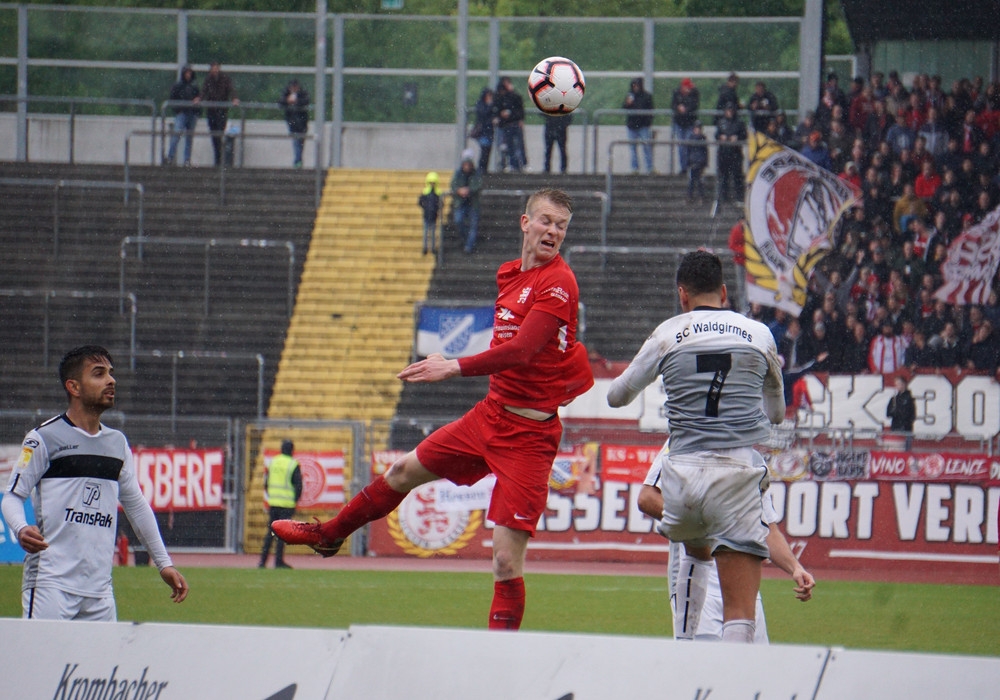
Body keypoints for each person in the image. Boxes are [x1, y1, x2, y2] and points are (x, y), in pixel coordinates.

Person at [272, 189, 594, 631]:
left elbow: (521, 351)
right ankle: (329, 535)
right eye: (546, 220)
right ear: (525, 223)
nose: (553, 231)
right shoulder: (510, 275)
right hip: (490, 416)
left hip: (529, 438)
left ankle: (498, 664)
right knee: (402, 471)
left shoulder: (559, 281)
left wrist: (453, 367)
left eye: (561, 225)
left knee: (504, 559)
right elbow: (519, 349)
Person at [607, 250, 785, 643]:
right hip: (738, 471)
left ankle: (685, 655)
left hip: (684, 468)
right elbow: (776, 414)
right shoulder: (759, 335)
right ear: (724, 291)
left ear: (682, 294)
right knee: (740, 609)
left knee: (694, 550)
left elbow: (617, 397)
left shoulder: (668, 332)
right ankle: (732, 681)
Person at [1, 346, 188, 620]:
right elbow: (12, 497)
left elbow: (136, 506)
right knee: (45, 663)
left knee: (101, 664)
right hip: (51, 585)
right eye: (99, 374)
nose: (111, 381)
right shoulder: (43, 438)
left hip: (100, 591)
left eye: (111, 374)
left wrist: (164, 563)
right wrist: (19, 528)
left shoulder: (117, 443)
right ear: (74, 387)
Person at [637, 456, 814, 642]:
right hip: (699, 586)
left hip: (744, 586)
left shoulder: (753, 459)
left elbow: (767, 528)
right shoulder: (686, 441)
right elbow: (647, 498)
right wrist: (694, 524)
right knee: (704, 667)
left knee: (754, 666)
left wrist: (795, 567)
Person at [258, 439, 302, 569]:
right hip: (286, 504)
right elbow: (298, 485)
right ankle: (278, 561)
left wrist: (271, 496)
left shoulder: (273, 462)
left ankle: (262, 561)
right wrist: (295, 501)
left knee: (270, 533)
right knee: (282, 534)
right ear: (292, 450)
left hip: (273, 503)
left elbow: (266, 483)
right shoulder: (293, 464)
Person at [201, 60, 239, 166]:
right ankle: (217, 158)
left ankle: (219, 159)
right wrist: (199, 99)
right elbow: (204, 91)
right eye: (213, 68)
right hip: (211, 111)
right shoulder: (208, 79)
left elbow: (231, 89)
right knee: (214, 134)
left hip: (221, 110)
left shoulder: (225, 78)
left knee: (219, 132)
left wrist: (234, 98)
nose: (215, 70)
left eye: (216, 68)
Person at [165, 65, 200, 167]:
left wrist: (197, 112)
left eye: (189, 73)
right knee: (176, 135)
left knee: (189, 138)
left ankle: (187, 159)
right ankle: (170, 157)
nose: (188, 75)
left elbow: (198, 98)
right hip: (182, 113)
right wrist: (178, 110)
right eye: (186, 73)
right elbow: (172, 98)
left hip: (192, 113)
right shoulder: (178, 86)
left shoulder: (194, 86)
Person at [450, 154, 483, 254]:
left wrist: (469, 190)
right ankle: (465, 240)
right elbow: (453, 185)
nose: (467, 167)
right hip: (461, 202)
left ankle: (469, 247)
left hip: (473, 203)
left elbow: (478, 185)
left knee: (473, 225)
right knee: (458, 220)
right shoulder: (458, 174)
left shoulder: (476, 174)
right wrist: (459, 190)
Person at [715, 103, 747, 203]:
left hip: (735, 153)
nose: (729, 112)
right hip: (724, 153)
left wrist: (737, 137)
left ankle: (739, 197)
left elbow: (744, 134)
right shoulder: (721, 122)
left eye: (731, 110)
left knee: (737, 176)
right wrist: (721, 136)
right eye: (728, 110)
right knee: (724, 176)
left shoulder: (739, 123)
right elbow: (716, 134)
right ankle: (724, 197)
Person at [623, 77, 655, 173]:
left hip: (643, 126)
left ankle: (649, 168)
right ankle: (634, 168)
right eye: (634, 85)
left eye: (637, 85)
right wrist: (628, 104)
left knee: (646, 147)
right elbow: (624, 107)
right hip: (632, 126)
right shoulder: (630, 96)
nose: (636, 87)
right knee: (632, 148)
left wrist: (647, 122)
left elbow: (650, 110)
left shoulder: (646, 96)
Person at [495, 76, 526, 172]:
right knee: (506, 146)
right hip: (505, 125)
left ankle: (520, 164)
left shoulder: (514, 96)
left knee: (518, 145)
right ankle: (508, 164)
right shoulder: (500, 96)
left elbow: (519, 109)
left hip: (513, 124)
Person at [278, 78, 310, 168]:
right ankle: (298, 160)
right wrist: (288, 101)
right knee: (296, 140)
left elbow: (306, 101)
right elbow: (280, 102)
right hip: (292, 121)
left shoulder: (302, 94)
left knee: (300, 141)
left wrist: (296, 101)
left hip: (302, 121)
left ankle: (298, 160)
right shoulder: (286, 94)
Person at [671, 77, 700, 175]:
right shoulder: (676, 93)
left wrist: (686, 109)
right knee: (681, 146)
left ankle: (689, 167)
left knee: (688, 145)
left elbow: (695, 105)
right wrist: (678, 108)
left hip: (689, 123)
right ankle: (684, 167)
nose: (689, 89)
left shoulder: (694, 93)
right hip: (679, 122)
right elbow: (673, 105)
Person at [886, 374, 916, 451]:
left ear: (904, 384)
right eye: (896, 384)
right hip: (896, 427)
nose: (897, 386)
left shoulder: (909, 398)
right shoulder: (894, 399)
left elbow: (911, 414)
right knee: (896, 449)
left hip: (905, 428)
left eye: (899, 384)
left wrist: (900, 415)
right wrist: (893, 412)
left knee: (905, 449)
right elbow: (888, 413)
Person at [471, 87, 496, 173]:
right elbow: (483, 114)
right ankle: (481, 169)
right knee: (484, 150)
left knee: (487, 151)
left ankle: (484, 169)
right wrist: (489, 105)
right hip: (482, 132)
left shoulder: (491, 105)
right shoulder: (481, 104)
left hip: (489, 132)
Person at [418, 171, 442, 256]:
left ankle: (432, 248)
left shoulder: (437, 193)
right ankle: (425, 247)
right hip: (427, 215)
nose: (432, 184)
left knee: (432, 233)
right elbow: (420, 202)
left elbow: (441, 204)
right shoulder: (425, 193)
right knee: (426, 233)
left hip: (433, 215)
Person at [686, 120, 708, 200]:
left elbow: (705, 152)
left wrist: (705, 162)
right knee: (692, 181)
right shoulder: (691, 139)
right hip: (693, 162)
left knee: (699, 181)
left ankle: (701, 196)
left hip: (700, 162)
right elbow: (688, 151)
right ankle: (690, 196)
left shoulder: (703, 139)